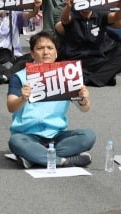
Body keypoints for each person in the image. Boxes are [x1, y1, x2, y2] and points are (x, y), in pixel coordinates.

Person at [6, 31, 94, 169]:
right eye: (40, 48)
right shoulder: (19, 77)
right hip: (28, 135)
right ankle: (64, 161)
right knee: (15, 142)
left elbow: (85, 108)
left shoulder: (66, 74)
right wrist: (22, 98)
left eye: (50, 48)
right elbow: (11, 106)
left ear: (56, 53)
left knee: (88, 136)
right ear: (32, 53)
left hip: (57, 135)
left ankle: (35, 157)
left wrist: (83, 99)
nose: (46, 52)